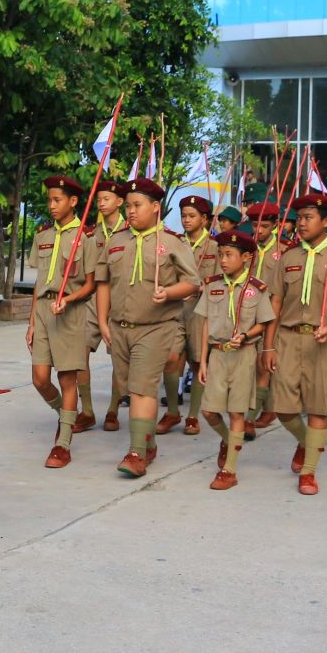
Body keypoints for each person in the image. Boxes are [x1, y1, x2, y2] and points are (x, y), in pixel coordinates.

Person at [94, 178, 200, 477]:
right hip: (119, 328)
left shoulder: (172, 242)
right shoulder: (117, 240)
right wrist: (102, 322)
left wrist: (169, 292)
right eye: (128, 206)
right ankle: (148, 443)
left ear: (155, 207)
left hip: (156, 327)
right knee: (129, 387)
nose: (130, 211)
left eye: (137, 205)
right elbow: (103, 282)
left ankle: (136, 453)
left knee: (142, 390)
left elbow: (192, 283)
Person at [270, 193, 327, 496]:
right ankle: (305, 441)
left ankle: (309, 471)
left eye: (308, 218)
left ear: (325, 222)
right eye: (299, 218)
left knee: (318, 408)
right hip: (287, 336)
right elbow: (276, 300)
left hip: (324, 339)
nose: (301, 223)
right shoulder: (288, 257)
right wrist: (268, 345)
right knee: (282, 407)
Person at [26, 175, 98, 468]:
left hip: (69, 310)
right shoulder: (43, 235)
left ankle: (63, 443)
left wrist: (68, 299)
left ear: (73, 201)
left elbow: (90, 284)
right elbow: (38, 282)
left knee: (67, 378)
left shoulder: (85, 237)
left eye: (58, 200)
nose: (52, 205)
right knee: (39, 378)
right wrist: (32, 322)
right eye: (50, 200)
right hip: (43, 310)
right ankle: (65, 415)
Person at [194, 230, 274, 490]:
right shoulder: (212, 285)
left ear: (246, 257)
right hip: (218, 354)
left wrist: (247, 335)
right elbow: (206, 324)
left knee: (237, 411)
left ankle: (229, 470)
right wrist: (203, 360)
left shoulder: (257, 289)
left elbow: (263, 322)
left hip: (243, 355)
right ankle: (229, 440)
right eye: (221, 255)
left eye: (229, 255)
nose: (223, 260)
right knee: (208, 410)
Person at [167, 194, 219, 436]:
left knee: (198, 361)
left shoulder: (215, 247)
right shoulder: (175, 243)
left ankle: (192, 416)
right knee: (171, 358)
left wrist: (198, 288)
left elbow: (219, 281)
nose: (186, 220)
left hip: (201, 310)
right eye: (183, 216)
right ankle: (172, 411)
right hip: (176, 309)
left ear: (204, 219)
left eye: (191, 216)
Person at [84, 180, 130, 430]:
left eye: (106, 199)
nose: (101, 203)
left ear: (120, 202)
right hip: (93, 298)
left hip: (121, 297)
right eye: (99, 199)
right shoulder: (91, 233)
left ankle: (113, 409)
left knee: (118, 358)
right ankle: (87, 409)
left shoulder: (131, 230)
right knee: (80, 351)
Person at [244, 201, 283, 437]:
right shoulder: (246, 248)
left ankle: (253, 416)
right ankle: (265, 408)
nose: (259, 231)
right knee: (251, 365)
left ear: (275, 225)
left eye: (265, 226)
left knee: (264, 362)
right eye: (255, 225)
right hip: (247, 311)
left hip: (272, 313)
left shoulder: (284, 250)